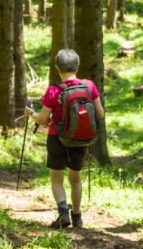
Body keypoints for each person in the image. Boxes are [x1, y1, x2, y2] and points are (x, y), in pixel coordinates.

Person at [27, 49, 105, 229]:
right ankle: (77, 216)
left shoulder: (53, 90)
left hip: (57, 138)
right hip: (81, 139)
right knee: (76, 179)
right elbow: (100, 113)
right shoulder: (89, 86)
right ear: (77, 66)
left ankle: (63, 213)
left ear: (57, 68)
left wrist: (30, 113)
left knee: (56, 179)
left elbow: (42, 119)